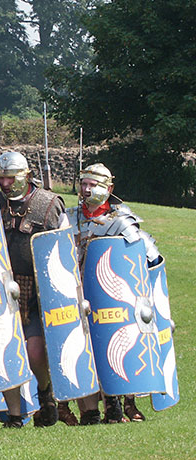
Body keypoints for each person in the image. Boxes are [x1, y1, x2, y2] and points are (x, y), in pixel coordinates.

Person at [68, 163, 162, 425]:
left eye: (93, 185)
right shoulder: (68, 218)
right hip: (79, 294)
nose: (86, 189)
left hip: (114, 296)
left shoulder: (121, 221)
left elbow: (150, 260)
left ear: (109, 189)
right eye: (83, 183)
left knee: (119, 346)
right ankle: (89, 409)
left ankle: (123, 401)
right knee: (87, 349)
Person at [0, 151, 67, 428]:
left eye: (10, 177)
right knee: (4, 350)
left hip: (36, 290)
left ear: (24, 175)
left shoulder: (49, 204)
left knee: (35, 351)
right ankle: (14, 414)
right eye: (0, 177)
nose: (4, 183)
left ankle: (45, 390)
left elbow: (63, 249)